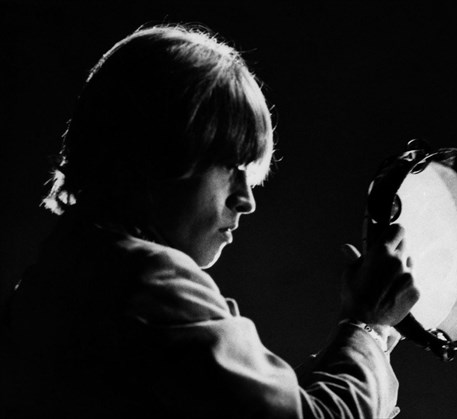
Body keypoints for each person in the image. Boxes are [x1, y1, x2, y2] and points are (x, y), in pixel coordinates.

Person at [0, 24, 419, 419]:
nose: (247, 201)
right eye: (230, 166)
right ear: (155, 157)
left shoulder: (64, 275)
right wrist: (368, 325)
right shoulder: (149, 286)